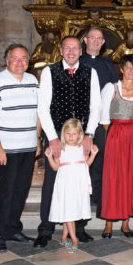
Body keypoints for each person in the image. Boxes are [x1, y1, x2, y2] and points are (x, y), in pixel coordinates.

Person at [35, 36, 101, 248]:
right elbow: (43, 107)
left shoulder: (91, 72)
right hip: (58, 138)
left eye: (75, 48)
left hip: (81, 138)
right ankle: (46, 229)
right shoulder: (49, 71)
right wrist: (53, 138)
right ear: (61, 51)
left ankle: (79, 228)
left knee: (80, 183)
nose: (71, 52)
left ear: (81, 51)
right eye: (67, 48)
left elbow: (96, 106)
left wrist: (89, 135)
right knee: (53, 183)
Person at [0, 44, 41, 253]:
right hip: (7, 148)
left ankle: (12, 229)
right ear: (7, 60)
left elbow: (38, 113)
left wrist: (37, 140)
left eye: (23, 58)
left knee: (21, 190)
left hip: (28, 147)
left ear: (28, 61)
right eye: (15, 58)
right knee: (5, 191)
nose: (19, 62)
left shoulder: (33, 81)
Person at [100, 54, 133, 238]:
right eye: (127, 67)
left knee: (132, 177)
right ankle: (108, 223)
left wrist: (132, 134)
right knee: (114, 178)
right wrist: (114, 136)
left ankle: (125, 223)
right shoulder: (111, 88)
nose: (130, 71)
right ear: (121, 69)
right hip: (115, 134)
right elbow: (104, 117)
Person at [80, 27, 119, 213]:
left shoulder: (108, 65)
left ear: (103, 43)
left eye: (99, 39)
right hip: (79, 120)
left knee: (100, 157)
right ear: (85, 40)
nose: (96, 41)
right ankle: (81, 196)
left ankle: (97, 196)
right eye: (92, 38)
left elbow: (116, 89)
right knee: (81, 158)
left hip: (102, 120)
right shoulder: (77, 62)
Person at [45, 119, 99, 251]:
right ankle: (74, 238)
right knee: (69, 211)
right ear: (64, 134)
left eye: (74, 133)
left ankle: (64, 236)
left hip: (78, 184)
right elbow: (56, 168)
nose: (70, 136)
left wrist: (93, 154)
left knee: (69, 210)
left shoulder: (82, 148)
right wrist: (49, 157)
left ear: (80, 134)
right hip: (65, 183)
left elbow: (86, 164)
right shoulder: (61, 148)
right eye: (68, 133)